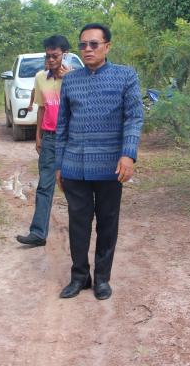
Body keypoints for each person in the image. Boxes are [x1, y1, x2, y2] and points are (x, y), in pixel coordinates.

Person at [55, 23, 143, 300]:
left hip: (110, 166)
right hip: (75, 166)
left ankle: (102, 278)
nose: (88, 49)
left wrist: (128, 154)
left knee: (107, 223)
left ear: (107, 46)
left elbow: (134, 117)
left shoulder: (125, 76)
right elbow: (62, 125)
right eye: (83, 44)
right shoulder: (71, 80)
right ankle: (80, 276)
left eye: (94, 44)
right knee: (78, 224)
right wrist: (59, 164)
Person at [15, 35, 72, 247]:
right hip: (49, 138)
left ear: (65, 55)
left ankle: (80, 225)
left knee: (72, 185)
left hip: (71, 140)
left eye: (55, 56)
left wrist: (69, 80)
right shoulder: (40, 78)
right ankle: (38, 233)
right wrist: (38, 136)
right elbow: (41, 108)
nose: (50, 60)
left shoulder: (77, 78)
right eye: (47, 56)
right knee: (44, 186)